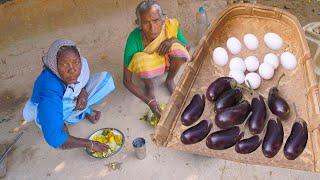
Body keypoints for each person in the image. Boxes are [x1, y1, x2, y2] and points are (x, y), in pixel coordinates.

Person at [22, 39, 115, 152]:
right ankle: (57, 121)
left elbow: (79, 85)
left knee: (104, 80)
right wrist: (90, 144)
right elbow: (55, 139)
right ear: (54, 65)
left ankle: (76, 113)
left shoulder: (82, 64)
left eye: (76, 62)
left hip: (65, 102)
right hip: (41, 111)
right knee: (56, 127)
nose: (72, 69)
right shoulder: (49, 86)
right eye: (64, 64)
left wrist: (83, 94)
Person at [123, 0, 190, 118]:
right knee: (139, 60)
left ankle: (169, 80)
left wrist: (173, 40)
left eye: (156, 20)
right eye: (145, 23)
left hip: (169, 63)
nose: (152, 27)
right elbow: (127, 80)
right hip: (149, 67)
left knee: (178, 48)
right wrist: (149, 102)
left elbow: (187, 47)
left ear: (162, 19)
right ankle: (149, 86)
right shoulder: (134, 39)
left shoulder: (170, 26)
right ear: (139, 24)